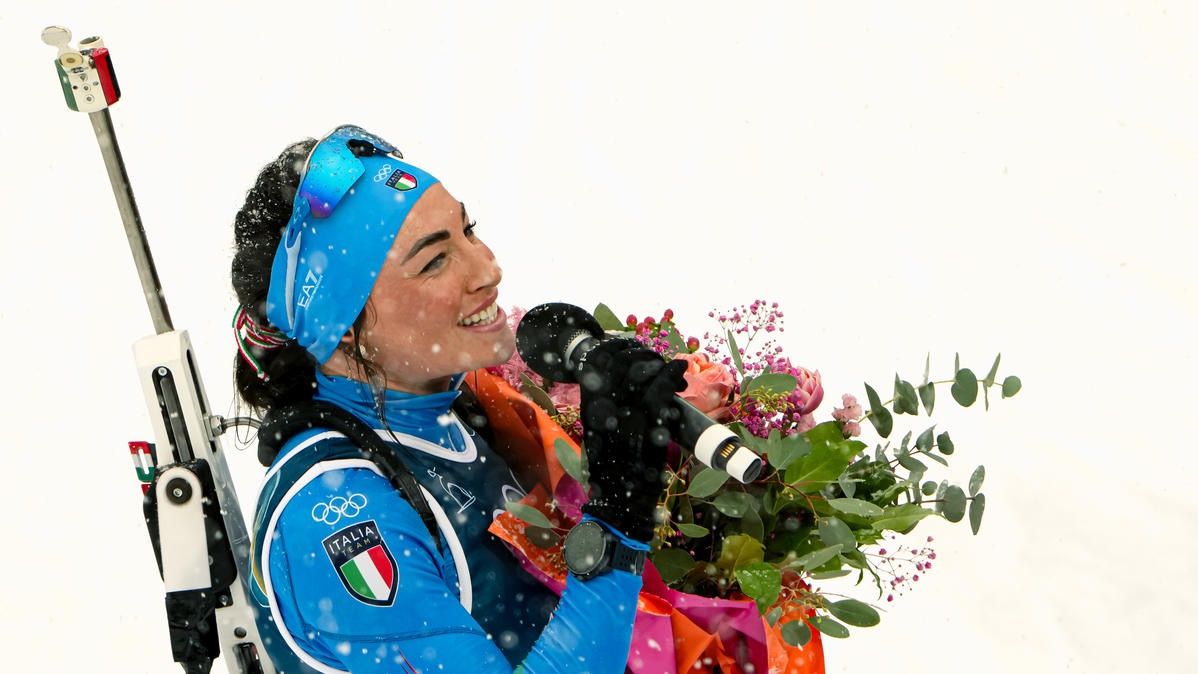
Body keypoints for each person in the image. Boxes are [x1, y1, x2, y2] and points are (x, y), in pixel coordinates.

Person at [230, 124, 688, 673]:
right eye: (434, 261)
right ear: (345, 328)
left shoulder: (452, 408)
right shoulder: (337, 517)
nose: (488, 270)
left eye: (467, 230)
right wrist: (618, 518)